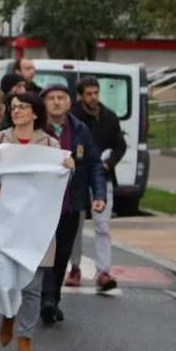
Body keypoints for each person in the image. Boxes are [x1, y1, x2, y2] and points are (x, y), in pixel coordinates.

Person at [0, 91, 73, 351]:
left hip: (36, 225)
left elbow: (60, 180)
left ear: (35, 113)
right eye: (13, 107)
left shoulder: (49, 144)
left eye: (23, 107)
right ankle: (8, 315)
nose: (16, 111)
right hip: (5, 223)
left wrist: (68, 167)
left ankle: (25, 337)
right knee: (5, 282)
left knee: (32, 286)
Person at [40, 84, 105, 325]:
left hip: (70, 203)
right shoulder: (38, 129)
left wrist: (99, 194)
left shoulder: (80, 130)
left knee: (63, 253)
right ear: (44, 103)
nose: (56, 102)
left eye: (61, 98)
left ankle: (53, 299)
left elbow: (94, 163)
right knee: (45, 251)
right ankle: (45, 298)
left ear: (69, 103)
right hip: (42, 205)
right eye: (51, 98)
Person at [67, 76, 126, 291]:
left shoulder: (109, 117)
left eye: (96, 93)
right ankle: (75, 267)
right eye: (88, 94)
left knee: (102, 225)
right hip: (79, 178)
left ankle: (103, 271)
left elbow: (120, 145)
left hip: (103, 176)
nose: (93, 98)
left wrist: (109, 163)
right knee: (76, 226)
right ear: (80, 96)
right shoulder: (73, 117)